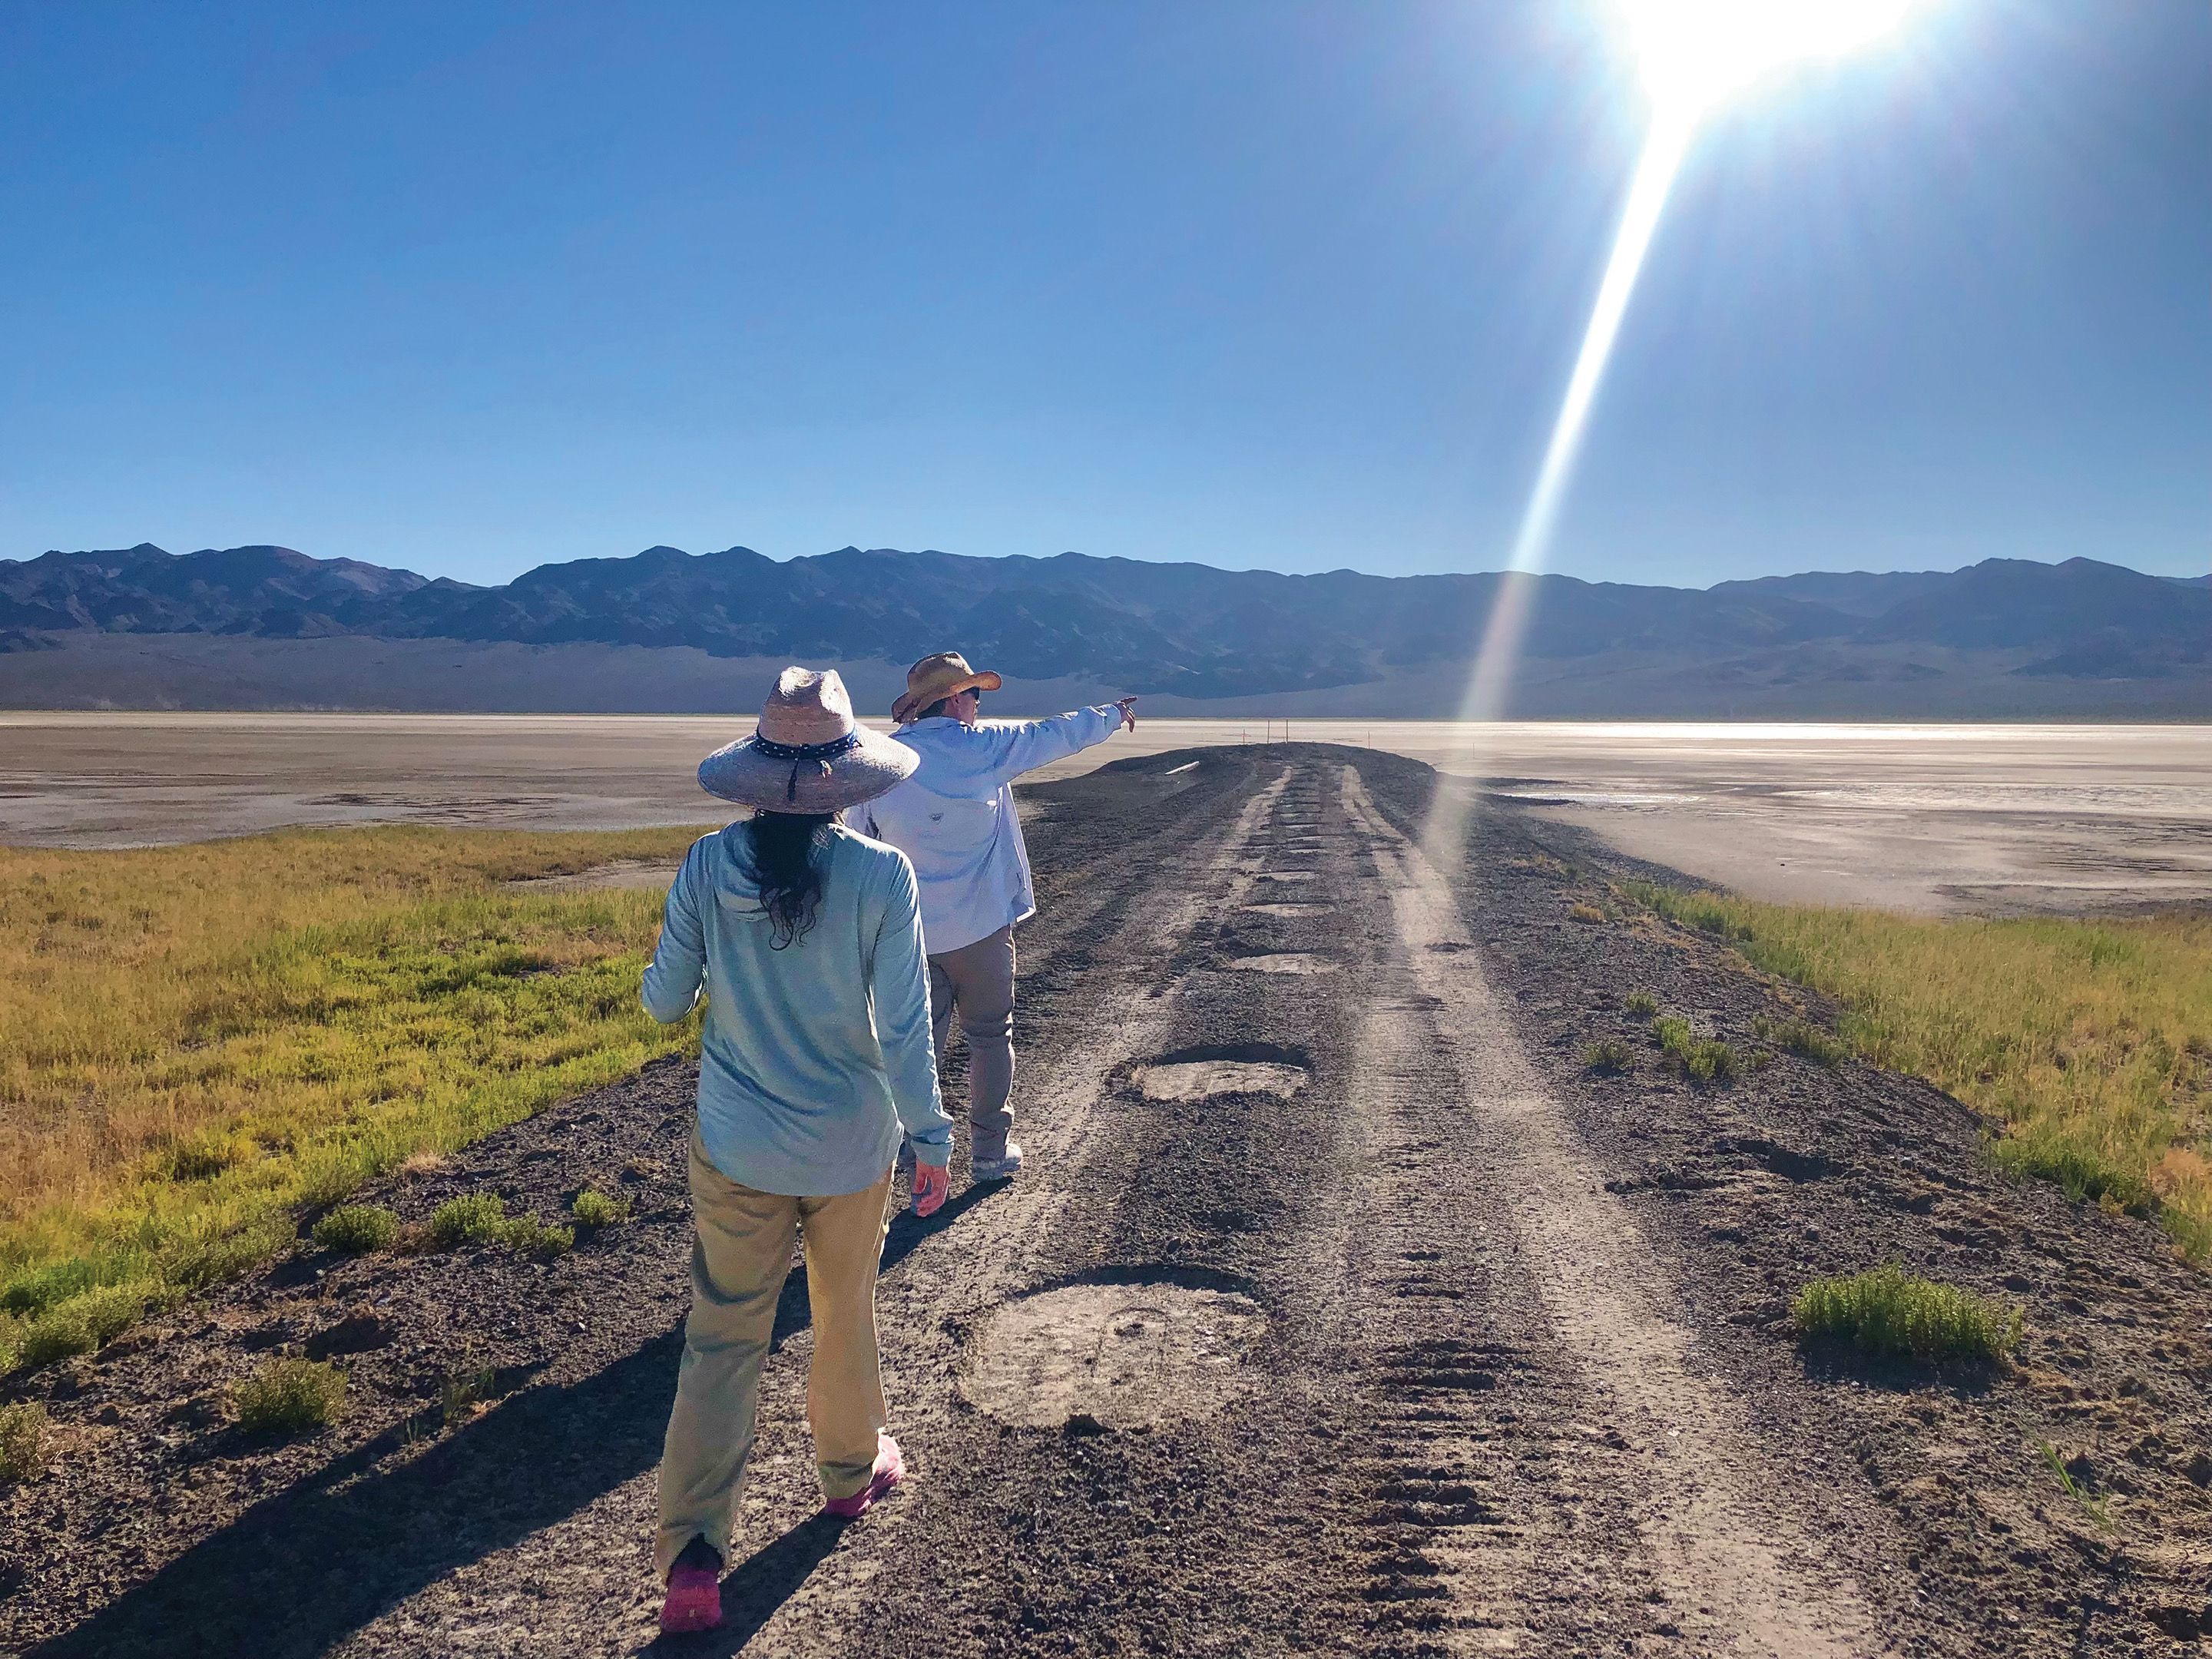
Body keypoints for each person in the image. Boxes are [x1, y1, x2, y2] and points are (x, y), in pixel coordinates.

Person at [641, 666, 955, 1637]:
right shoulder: (881, 876)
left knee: (723, 1335)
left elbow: (662, 1001)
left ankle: (695, 1552)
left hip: (738, 1147)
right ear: (847, 779)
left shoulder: (706, 863)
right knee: (842, 1310)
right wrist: (932, 1139)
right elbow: (905, 1030)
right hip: (850, 1147)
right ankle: (850, 1474)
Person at [860, 651, 1136, 1182]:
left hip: (907, 934)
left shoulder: (882, 762)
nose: (979, 708)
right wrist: (1110, 714)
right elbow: (1053, 734)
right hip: (981, 930)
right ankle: (989, 1154)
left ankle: (917, 1155)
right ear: (957, 699)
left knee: (917, 1046)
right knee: (989, 1036)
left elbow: (858, 842)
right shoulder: (986, 749)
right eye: (976, 696)